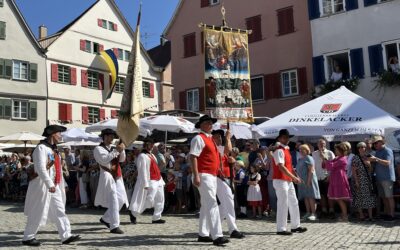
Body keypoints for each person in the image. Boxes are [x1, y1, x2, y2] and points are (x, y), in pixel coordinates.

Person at [22, 125, 80, 246]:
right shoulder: (41, 148)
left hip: (54, 186)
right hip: (42, 185)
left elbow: (57, 169)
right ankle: (28, 237)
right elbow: (40, 169)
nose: (60, 136)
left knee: (60, 210)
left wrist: (61, 184)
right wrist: (49, 184)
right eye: (59, 133)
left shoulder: (54, 150)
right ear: (52, 134)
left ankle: (66, 236)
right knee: (37, 210)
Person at [189, 115, 230, 246]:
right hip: (203, 174)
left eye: (211, 123)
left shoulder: (210, 139)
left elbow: (220, 156)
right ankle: (217, 235)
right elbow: (193, 157)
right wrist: (196, 175)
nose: (210, 125)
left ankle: (203, 233)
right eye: (207, 123)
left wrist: (220, 170)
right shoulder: (198, 138)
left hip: (211, 175)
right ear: (201, 125)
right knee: (212, 203)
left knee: (206, 205)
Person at [94, 129, 128, 234]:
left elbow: (122, 160)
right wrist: (117, 150)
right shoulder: (98, 149)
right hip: (107, 175)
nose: (111, 138)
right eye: (109, 136)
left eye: (112, 136)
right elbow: (104, 160)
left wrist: (122, 149)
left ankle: (105, 218)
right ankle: (114, 226)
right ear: (103, 137)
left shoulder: (113, 148)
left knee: (121, 199)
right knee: (113, 200)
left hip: (117, 176)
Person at [272, 129, 306, 235]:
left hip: (287, 180)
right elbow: (281, 167)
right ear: (280, 138)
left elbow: (289, 167)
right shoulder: (279, 150)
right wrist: (294, 177)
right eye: (284, 137)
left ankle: (296, 226)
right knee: (283, 203)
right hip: (280, 179)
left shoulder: (286, 150)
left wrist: (296, 176)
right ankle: (281, 228)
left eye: (287, 137)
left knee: (294, 202)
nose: (287, 139)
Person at [212, 129, 244, 239]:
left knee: (223, 205)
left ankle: (214, 228)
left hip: (228, 178)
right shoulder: (214, 148)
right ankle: (233, 229)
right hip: (219, 178)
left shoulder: (221, 148)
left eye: (220, 137)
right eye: (216, 137)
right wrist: (228, 138)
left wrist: (232, 161)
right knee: (229, 202)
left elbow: (228, 155)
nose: (219, 139)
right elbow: (228, 149)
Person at [129, 138, 166, 224]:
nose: (151, 146)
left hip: (158, 180)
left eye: (152, 144)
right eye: (149, 144)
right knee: (149, 199)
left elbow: (156, 167)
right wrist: (145, 183)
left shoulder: (152, 155)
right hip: (150, 180)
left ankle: (156, 217)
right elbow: (142, 171)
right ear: (145, 145)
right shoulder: (142, 156)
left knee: (160, 199)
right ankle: (134, 213)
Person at [323, 143, 351, 222]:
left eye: (336, 150)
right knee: (338, 198)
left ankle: (345, 216)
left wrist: (326, 161)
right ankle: (344, 215)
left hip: (339, 179)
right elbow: (328, 166)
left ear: (340, 150)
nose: (335, 151)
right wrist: (325, 160)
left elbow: (331, 166)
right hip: (335, 178)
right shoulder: (337, 158)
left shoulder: (343, 158)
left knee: (339, 198)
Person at [370, 135, 396, 221]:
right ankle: (387, 214)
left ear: (381, 142)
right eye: (374, 143)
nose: (375, 145)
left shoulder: (387, 150)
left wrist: (376, 159)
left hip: (387, 178)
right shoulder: (377, 151)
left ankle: (392, 215)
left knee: (389, 197)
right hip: (379, 178)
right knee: (384, 197)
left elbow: (387, 163)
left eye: (376, 143)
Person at [351, 142, 376, 221]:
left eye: (364, 147)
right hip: (359, 180)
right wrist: (356, 181)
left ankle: (370, 216)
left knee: (369, 198)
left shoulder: (368, 156)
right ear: (358, 149)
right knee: (359, 198)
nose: (362, 148)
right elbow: (354, 171)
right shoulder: (355, 157)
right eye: (360, 147)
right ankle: (361, 216)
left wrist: (369, 164)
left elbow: (371, 170)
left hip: (368, 180)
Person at [312, 138, 335, 218]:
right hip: (318, 177)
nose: (322, 145)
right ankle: (324, 210)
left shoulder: (330, 153)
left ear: (325, 144)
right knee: (321, 195)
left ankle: (331, 210)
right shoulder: (314, 154)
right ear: (317, 145)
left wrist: (330, 176)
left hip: (327, 177)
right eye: (320, 144)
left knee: (329, 195)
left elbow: (333, 166)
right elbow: (313, 166)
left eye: (323, 144)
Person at [296, 144, 320, 221]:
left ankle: (313, 213)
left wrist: (309, 181)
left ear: (307, 150)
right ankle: (308, 212)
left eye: (303, 149)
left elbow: (311, 170)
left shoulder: (309, 158)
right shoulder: (300, 159)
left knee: (311, 197)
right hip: (302, 181)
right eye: (300, 149)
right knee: (305, 197)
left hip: (309, 180)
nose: (301, 151)